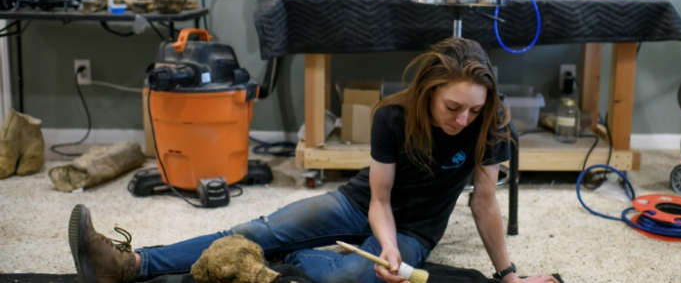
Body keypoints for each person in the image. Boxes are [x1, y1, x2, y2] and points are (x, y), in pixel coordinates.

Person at [68, 37, 559, 283]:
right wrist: (383, 242)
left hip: (417, 233)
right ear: (429, 92)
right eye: (453, 107)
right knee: (257, 230)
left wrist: (508, 276)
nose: (463, 119)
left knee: (351, 276)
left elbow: (485, 203)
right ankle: (132, 264)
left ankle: (290, 263)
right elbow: (380, 199)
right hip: (360, 204)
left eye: (474, 109)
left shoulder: (491, 124)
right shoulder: (393, 116)